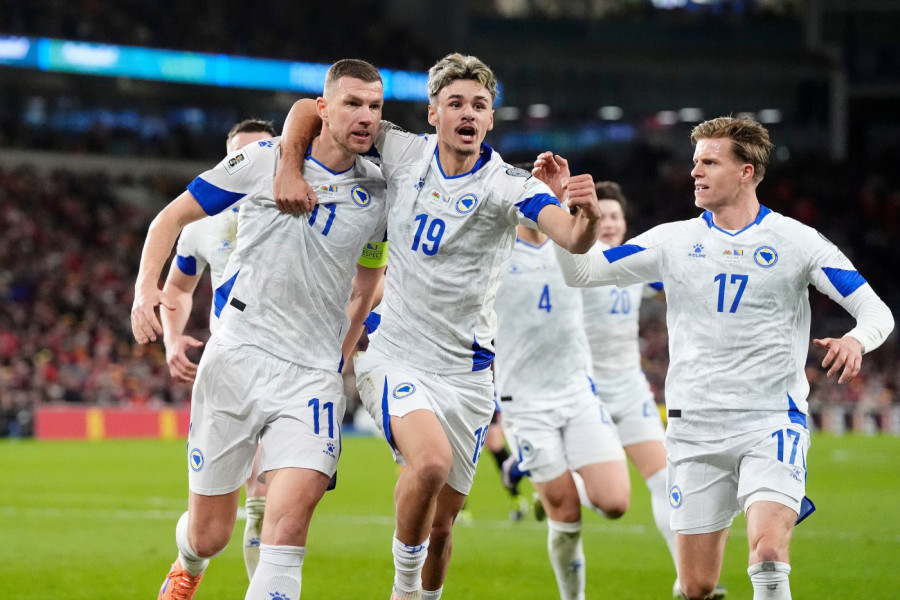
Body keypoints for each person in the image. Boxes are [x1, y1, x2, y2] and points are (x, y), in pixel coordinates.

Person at [274, 53, 603, 600]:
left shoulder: (509, 185)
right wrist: (289, 165)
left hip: (467, 377)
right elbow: (312, 110)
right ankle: (403, 589)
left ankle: (425, 594)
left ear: (490, 118)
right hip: (395, 353)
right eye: (455, 103)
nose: (467, 112)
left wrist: (586, 215)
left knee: (444, 524)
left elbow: (571, 237)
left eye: (479, 104)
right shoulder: (402, 149)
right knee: (428, 463)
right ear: (433, 112)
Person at [547, 116, 894, 600]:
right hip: (694, 430)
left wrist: (857, 340)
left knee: (768, 554)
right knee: (696, 586)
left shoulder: (798, 241)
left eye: (709, 162)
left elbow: (876, 311)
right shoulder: (671, 241)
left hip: (770, 423)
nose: (695, 171)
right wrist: (563, 213)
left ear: (746, 172)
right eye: (696, 161)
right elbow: (581, 274)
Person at [131, 58, 389, 600]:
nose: (366, 116)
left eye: (375, 105)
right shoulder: (264, 160)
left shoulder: (380, 193)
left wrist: (342, 352)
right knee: (210, 535)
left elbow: (369, 283)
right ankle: (187, 564)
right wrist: (144, 290)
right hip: (237, 358)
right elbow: (169, 218)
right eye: (353, 103)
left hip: (311, 377)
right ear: (323, 109)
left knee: (287, 528)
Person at [160, 117, 276, 581]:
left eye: (262, 152)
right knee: (208, 533)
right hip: (229, 370)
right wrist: (172, 337)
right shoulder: (203, 223)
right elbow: (178, 286)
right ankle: (187, 568)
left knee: (266, 501)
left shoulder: (306, 208)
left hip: (291, 367)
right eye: (239, 157)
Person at [493, 221, 630, 600]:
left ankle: (533, 472)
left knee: (615, 503)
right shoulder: (494, 249)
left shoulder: (577, 246)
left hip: (578, 394)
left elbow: (628, 270)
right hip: (525, 403)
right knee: (566, 513)